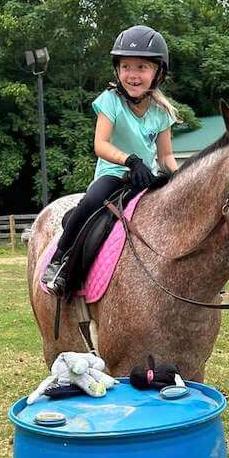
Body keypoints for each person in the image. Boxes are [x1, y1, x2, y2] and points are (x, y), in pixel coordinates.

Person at [42, 25, 180, 293]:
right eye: (126, 66)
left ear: (158, 73)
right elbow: (100, 144)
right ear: (117, 70)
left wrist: (178, 176)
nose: (133, 74)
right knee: (91, 202)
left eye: (142, 67)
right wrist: (130, 160)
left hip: (144, 179)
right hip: (114, 174)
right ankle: (60, 259)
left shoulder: (162, 112)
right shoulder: (110, 101)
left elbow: (165, 156)